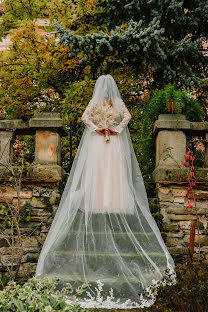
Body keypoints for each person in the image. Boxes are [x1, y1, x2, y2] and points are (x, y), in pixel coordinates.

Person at [35, 75, 175, 308]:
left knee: (114, 174)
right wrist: (98, 129)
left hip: (115, 142)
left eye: (108, 89)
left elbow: (127, 116)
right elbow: (85, 117)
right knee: (99, 174)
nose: (107, 92)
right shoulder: (95, 103)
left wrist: (117, 129)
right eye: (105, 89)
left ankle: (115, 202)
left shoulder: (118, 103)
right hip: (99, 142)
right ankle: (99, 202)